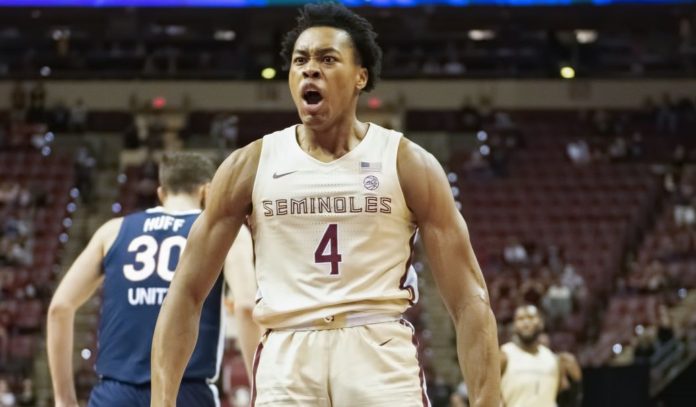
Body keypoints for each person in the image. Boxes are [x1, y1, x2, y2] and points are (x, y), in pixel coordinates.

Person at [151, 4, 500, 407]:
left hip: (377, 350)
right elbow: (186, 292)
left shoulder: (406, 161)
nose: (309, 70)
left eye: (327, 59)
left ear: (360, 77)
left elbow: (468, 298)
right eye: (300, 60)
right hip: (287, 352)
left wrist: (488, 400)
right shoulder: (249, 165)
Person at [47, 152, 260, 407]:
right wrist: (260, 391)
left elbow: (59, 308)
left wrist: (63, 399)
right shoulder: (226, 233)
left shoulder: (112, 231)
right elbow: (246, 307)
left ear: (161, 193)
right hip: (186, 391)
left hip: (114, 394)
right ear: (207, 191)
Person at [501, 305, 577, 407]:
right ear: (514, 325)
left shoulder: (553, 359)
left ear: (541, 323)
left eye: (531, 318)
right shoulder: (504, 355)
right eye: (520, 319)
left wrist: (577, 380)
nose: (526, 323)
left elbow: (567, 396)